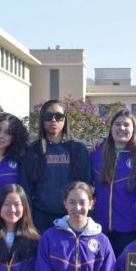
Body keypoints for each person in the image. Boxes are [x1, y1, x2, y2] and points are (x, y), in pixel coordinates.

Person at [23, 99, 92, 232]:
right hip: (40, 218)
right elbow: (26, 187)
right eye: (48, 117)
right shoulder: (32, 150)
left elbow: (86, 185)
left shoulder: (79, 149)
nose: (53, 120)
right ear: (42, 120)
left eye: (59, 117)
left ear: (65, 120)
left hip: (71, 217)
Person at [92, 107, 136, 254]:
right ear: (110, 128)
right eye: (117, 124)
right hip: (99, 228)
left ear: (133, 129)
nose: (121, 128)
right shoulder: (96, 152)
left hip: (130, 229)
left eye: (127, 125)